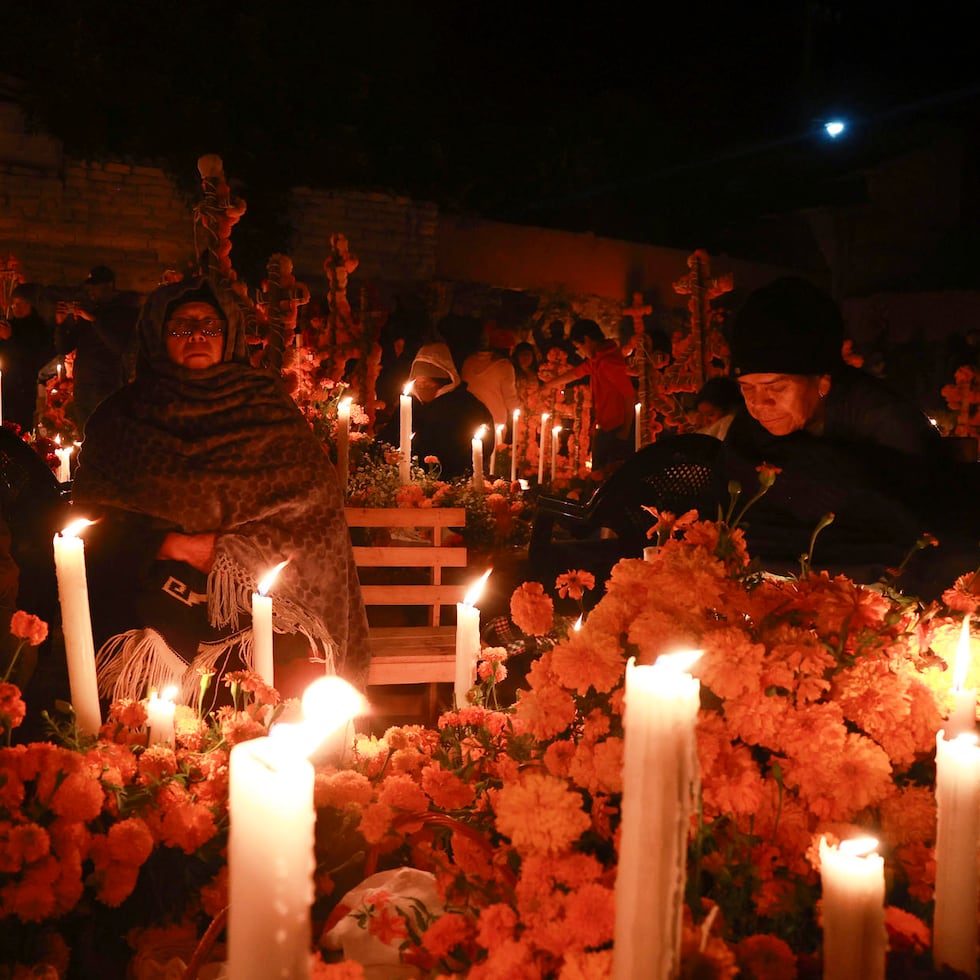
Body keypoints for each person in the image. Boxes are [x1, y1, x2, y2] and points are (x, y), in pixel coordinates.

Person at [72, 277, 371, 705]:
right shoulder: (121, 417)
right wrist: (169, 544)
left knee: (265, 707)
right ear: (156, 335)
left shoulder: (267, 408)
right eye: (181, 326)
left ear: (229, 336)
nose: (197, 335)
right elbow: (91, 517)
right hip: (147, 600)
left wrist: (233, 552)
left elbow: (314, 510)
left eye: (210, 326)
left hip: (262, 605)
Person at [720, 276, 978, 585]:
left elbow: (919, 510)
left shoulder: (884, 420)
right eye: (747, 388)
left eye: (776, 387)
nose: (759, 403)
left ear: (823, 382)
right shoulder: (750, 431)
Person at [379, 342, 494, 480]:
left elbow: (479, 443)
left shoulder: (466, 406)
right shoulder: (410, 403)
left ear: (443, 382)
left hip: (449, 478)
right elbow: (391, 433)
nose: (422, 388)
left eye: (427, 383)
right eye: (418, 383)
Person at [544, 319, 636, 478]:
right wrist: (548, 385)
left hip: (616, 428)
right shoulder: (597, 359)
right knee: (598, 474)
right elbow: (576, 373)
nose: (580, 351)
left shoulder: (608, 362)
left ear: (586, 339)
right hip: (604, 425)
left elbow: (629, 395)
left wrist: (625, 430)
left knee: (606, 476)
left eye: (579, 346)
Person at [55, 265, 139, 433]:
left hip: (107, 385)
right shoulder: (91, 310)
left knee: (107, 433)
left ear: (109, 286)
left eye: (95, 287)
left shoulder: (124, 311)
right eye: (89, 288)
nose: (91, 292)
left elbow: (119, 346)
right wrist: (61, 324)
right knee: (85, 433)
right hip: (83, 385)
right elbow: (65, 347)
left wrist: (93, 319)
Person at [0, 285, 53, 432]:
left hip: (23, 387)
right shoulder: (11, 325)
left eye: (21, 303)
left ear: (31, 304)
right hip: (5, 385)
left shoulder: (38, 327)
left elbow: (32, 357)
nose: (17, 308)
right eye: (14, 304)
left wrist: (10, 338)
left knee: (20, 427)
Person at [461, 325, 521, 437]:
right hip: (495, 422)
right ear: (510, 349)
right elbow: (510, 399)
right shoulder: (504, 366)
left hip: (470, 418)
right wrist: (524, 411)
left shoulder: (469, 361)